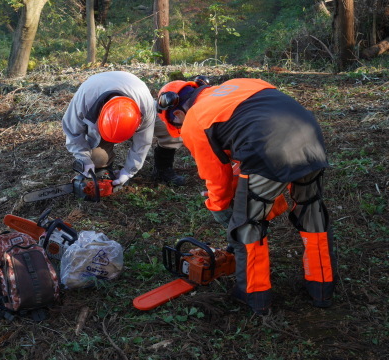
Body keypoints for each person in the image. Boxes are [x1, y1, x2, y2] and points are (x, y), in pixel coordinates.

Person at [156, 77, 336, 315]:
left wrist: (221, 209)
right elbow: (253, 130)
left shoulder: (195, 120)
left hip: (268, 150)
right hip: (310, 137)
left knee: (247, 226)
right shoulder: (243, 83)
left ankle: (254, 296)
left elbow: (215, 177)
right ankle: (322, 287)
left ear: (177, 114)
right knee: (311, 211)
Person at [62, 71, 184, 187]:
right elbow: (72, 133)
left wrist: (128, 171)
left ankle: (163, 168)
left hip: (137, 98)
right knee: (96, 159)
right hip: (99, 100)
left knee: (170, 127)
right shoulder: (84, 99)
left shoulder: (144, 106)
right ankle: (104, 171)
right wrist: (84, 159)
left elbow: (143, 142)